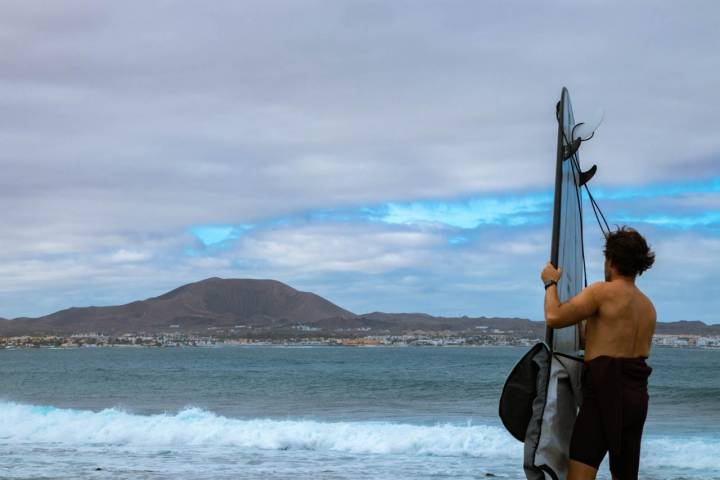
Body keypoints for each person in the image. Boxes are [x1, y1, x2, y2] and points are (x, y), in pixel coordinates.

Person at [540, 226, 656, 480]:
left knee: (580, 474)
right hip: (637, 399)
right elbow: (614, 342)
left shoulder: (601, 292)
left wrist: (550, 283)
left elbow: (554, 316)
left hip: (605, 394)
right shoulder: (648, 307)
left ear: (611, 259)